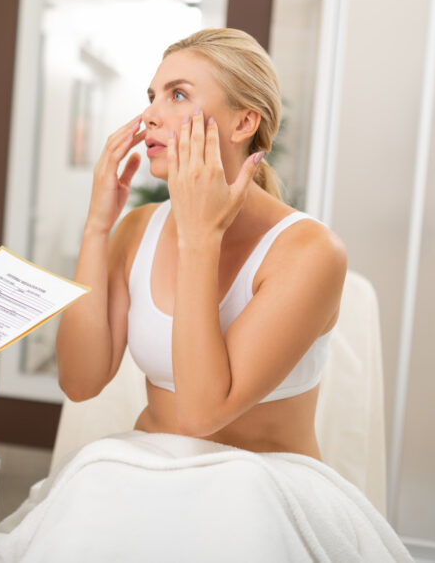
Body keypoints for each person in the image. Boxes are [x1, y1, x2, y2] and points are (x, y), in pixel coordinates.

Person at [56, 27, 347, 459]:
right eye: (152, 96)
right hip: (144, 469)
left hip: (261, 479)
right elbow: (80, 382)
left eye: (177, 95)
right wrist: (97, 227)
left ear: (244, 123)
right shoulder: (137, 229)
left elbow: (200, 416)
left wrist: (199, 237)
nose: (150, 115)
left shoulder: (310, 251)